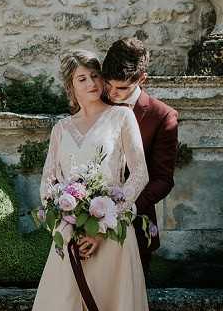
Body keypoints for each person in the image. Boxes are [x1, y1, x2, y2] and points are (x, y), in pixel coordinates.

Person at [32, 50, 149, 311]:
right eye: (82, 78)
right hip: (71, 237)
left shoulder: (121, 116)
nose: (91, 83)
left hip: (112, 236)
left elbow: (140, 173)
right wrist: (66, 226)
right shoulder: (61, 128)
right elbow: (48, 184)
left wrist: (103, 226)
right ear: (70, 86)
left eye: (95, 75)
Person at [101, 37, 178, 273]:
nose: (112, 94)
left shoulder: (163, 116)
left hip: (135, 226)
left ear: (141, 79)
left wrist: (127, 208)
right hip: (87, 224)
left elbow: (163, 180)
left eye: (122, 88)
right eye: (108, 85)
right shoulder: (96, 102)